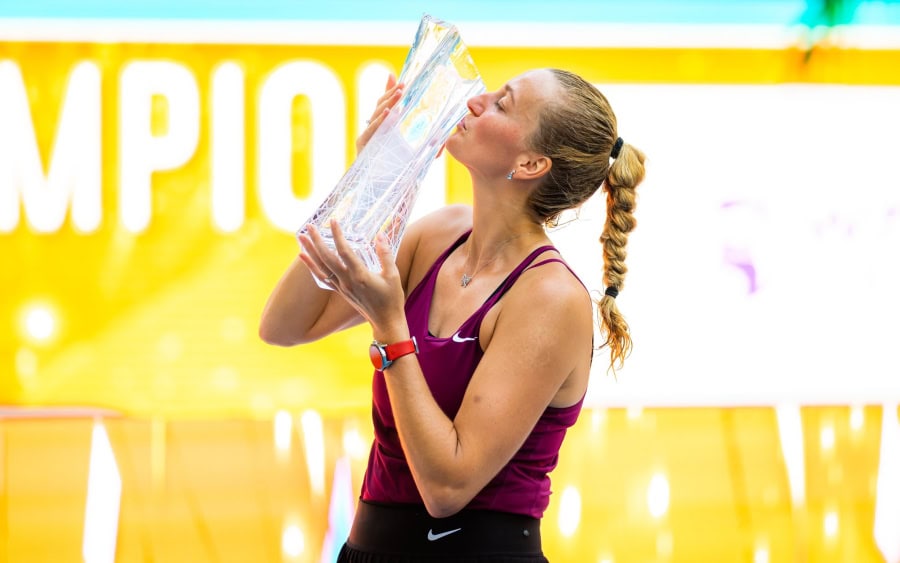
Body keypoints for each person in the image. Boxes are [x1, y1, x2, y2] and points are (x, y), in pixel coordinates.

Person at [260, 68, 646, 562]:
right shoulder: (440, 235)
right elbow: (285, 325)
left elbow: (447, 486)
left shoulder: (549, 296)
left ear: (530, 162)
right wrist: (371, 177)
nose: (476, 100)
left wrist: (390, 327)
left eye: (502, 104)